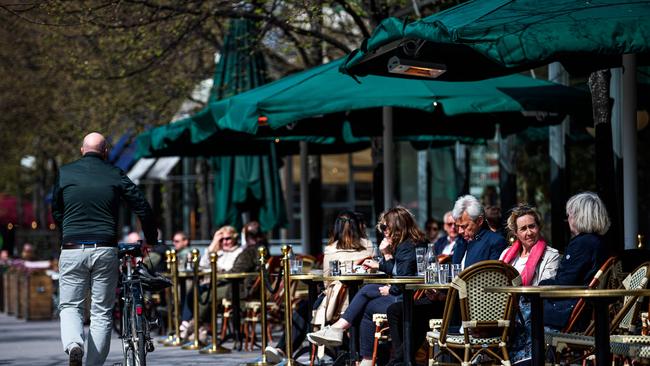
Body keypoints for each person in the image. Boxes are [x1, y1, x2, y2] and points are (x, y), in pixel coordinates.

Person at [52, 132, 157, 366]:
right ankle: (92, 364)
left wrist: (66, 234)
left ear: (82, 150)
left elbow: (57, 210)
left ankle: (74, 344)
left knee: (70, 305)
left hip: (72, 247)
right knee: (101, 312)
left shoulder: (65, 173)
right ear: (106, 151)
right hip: (105, 248)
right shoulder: (115, 174)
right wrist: (151, 238)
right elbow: (142, 207)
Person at [307, 206, 422, 366]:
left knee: (367, 302)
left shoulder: (406, 246)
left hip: (407, 298)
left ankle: (352, 344)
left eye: (384, 227)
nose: (383, 231)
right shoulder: (409, 243)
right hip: (405, 294)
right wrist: (381, 264)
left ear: (396, 227)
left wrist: (387, 259)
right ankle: (357, 350)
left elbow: (403, 276)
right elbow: (400, 271)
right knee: (367, 298)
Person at [265, 211, 373, 363]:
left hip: (336, 304)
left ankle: (283, 349)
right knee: (307, 307)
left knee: (304, 308)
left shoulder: (331, 248)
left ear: (336, 228)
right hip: (361, 300)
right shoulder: (368, 246)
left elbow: (326, 282)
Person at [500, 204, 560, 364]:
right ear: (516, 233)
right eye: (523, 229)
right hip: (505, 310)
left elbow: (544, 287)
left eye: (532, 226)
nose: (529, 232)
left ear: (538, 227)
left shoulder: (551, 255)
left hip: (532, 309)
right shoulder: (507, 254)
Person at [541, 192, 610, 330]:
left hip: (572, 312)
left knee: (519, 315)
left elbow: (564, 284)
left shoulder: (581, 244)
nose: (568, 220)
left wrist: (540, 284)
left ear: (579, 216)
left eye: (569, 215)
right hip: (588, 310)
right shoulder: (600, 242)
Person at [451, 195, 508, 269]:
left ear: (479, 221)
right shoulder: (460, 241)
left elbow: (493, 277)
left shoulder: (496, 241)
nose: (460, 231)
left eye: (464, 226)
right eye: (457, 226)